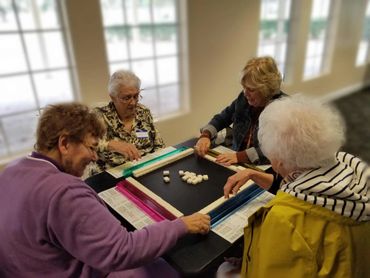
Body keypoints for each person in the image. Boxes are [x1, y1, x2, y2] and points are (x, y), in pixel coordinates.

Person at [0, 103, 211, 277]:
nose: (94, 156)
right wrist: (180, 226)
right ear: (64, 143)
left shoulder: (13, 169)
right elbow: (122, 250)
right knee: (170, 269)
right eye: (91, 147)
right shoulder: (65, 192)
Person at [219, 95, 370, 277]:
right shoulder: (353, 175)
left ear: (279, 161)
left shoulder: (285, 219)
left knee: (223, 271)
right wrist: (253, 173)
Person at [195, 56, 285, 166]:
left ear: (266, 89)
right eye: (244, 87)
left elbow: (276, 150)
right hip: (236, 160)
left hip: (264, 168)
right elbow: (223, 118)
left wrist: (239, 157)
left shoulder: (284, 109)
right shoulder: (243, 99)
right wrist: (205, 135)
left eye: (251, 89)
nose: (245, 93)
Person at [88, 69, 165, 176]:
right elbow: (85, 144)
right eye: (127, 97)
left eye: (136, 96)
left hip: (144, 171)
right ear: (112, 97)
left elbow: (159, 145)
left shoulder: (143, 112)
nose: (133, 102)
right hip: (111, 176)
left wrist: (159, 165)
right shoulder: (98, 116)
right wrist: (110, 144)